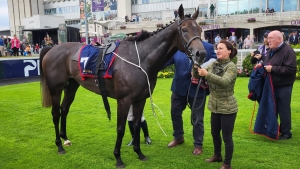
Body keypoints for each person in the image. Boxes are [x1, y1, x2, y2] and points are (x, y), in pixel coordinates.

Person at [165, 41, 217, 155]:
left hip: (198, 88)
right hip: (179, 88)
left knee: (197, 118)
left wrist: (203, 70)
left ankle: (198, 144)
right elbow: (166, 61)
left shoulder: (207, 47)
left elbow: (215, 63)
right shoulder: (178, 47)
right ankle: (178, 137)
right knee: (175, 113)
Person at [197, 40, 238, 169]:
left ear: (229, 51)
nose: (217, 51)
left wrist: (207, 74)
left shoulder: (231, 66)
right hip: (214, 105)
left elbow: (224, 82)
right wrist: (196, 66)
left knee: (226, 136)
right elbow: (198, 75)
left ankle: (227, 163)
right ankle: (217, 155)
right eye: (217, 48)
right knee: (214, 133)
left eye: (221, 48)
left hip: (227, 107)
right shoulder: (213, 63)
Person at [263, 30, 297, 140]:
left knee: (283, 108)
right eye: (268, 38)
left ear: (279, 39)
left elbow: (291, 69)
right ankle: (273, 129)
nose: (268, 41)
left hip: (284, 85)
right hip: (272, 84)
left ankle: (286, 132)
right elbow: (266, 62)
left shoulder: (288, 51)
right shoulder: (271, 50)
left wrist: (272, 69)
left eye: (271, 38)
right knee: (273, 108)